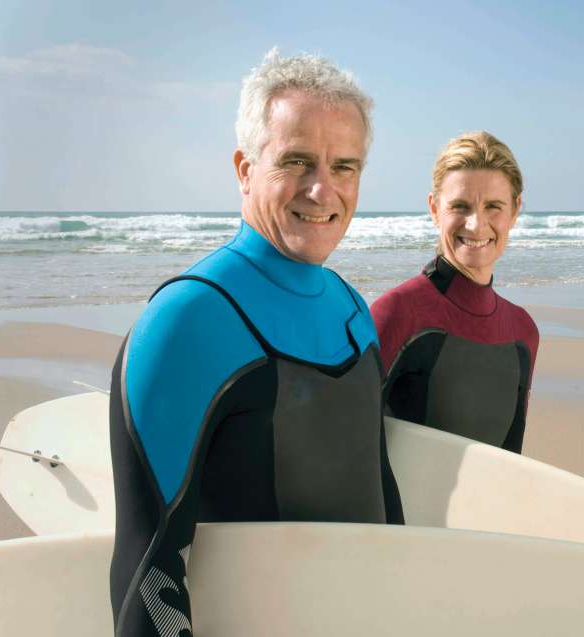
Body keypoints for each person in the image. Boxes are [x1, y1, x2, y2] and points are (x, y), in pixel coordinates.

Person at [108, 49, 402, 636]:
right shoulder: (187, 321)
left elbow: (382, 500)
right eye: (297, 161)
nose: (323, 190)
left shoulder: (353, 311)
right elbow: (148, 572)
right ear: (245, 169)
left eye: (345, 166)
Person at [371, 131, 539, 453]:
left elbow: (510, 463)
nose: (476, 225)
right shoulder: (398, 313)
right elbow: (347, 449)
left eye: (494, 206)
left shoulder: (523, 331)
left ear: (515, 211)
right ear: (435, 209)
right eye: (460, 206)